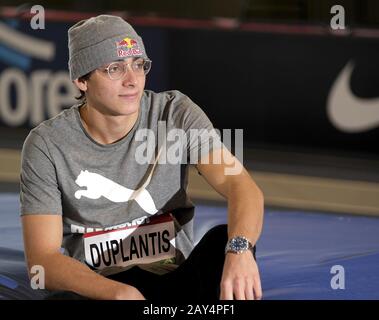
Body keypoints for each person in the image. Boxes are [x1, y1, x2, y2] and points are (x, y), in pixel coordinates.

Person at [20, 14, 264, 301]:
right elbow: (43, 261)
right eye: (114, 68)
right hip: (101, 287)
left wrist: (240, 249)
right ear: (81, 80)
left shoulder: (175, 114)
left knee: (225, 241)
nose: (132, 80)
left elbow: (242, 187)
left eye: (139, 65)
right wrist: (120, 294)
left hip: (177, 279)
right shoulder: (47, 144)